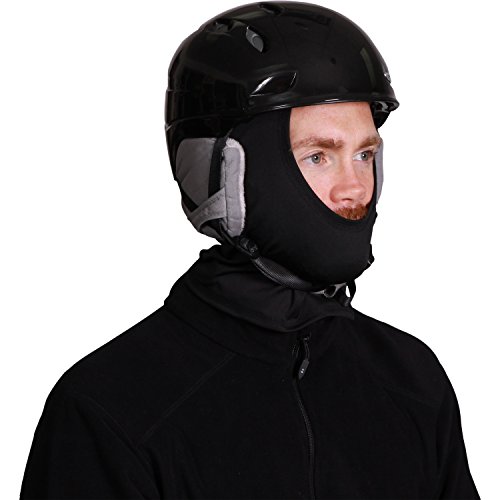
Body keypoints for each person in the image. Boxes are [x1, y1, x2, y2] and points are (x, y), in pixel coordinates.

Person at [20, 2, 480, 498]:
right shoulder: (111, 409)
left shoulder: (412, 379)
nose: (355, 188)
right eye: (318, 156)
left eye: (365, 154)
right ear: (226, 174)